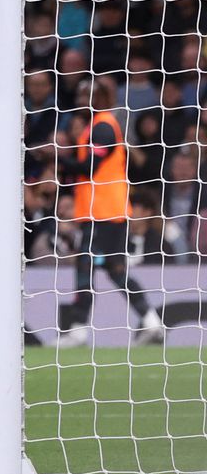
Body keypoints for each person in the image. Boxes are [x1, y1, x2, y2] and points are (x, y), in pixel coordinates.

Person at [58, 75, 163, 345]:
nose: (81, 101)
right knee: (114, 269)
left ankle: (80, 328)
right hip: (100, 210)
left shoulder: (104, 127)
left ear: (102, 98)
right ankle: (151, 320)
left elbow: (90, 168)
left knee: (86, 263)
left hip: (106, 211)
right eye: (80, 95)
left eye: (87, 95)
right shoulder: (95, 125)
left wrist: (57, 157)